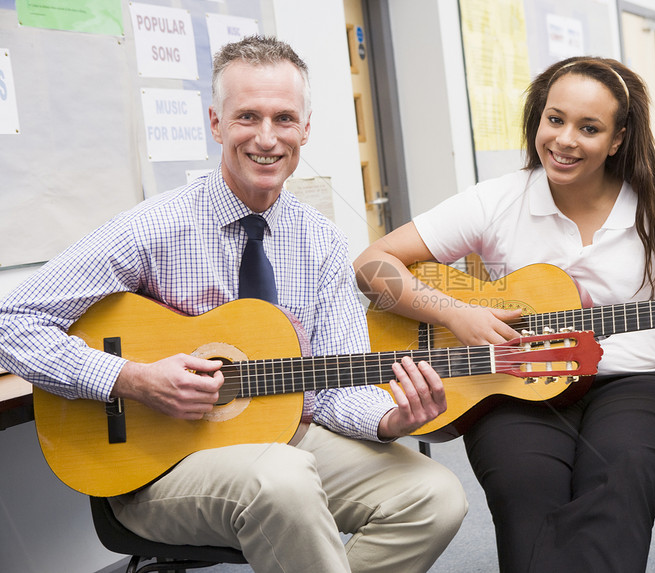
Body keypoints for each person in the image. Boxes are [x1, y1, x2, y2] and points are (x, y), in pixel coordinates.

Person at [0, 36, 467, 573]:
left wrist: (391, 418)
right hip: (164, 466)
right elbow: (14, 322)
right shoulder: (155, 227)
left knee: (435, 496)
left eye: (284, 119)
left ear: (305, 129)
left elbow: (339, 391)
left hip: (292, 437)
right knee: (283, 477)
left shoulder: (323, 243)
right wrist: (133, 379)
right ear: (216, 124)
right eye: (247, 116)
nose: (267, 138)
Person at [354, 56, 655, 572]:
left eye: (589, 128)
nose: (565, 140)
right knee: (525, 485)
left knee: (619, 470)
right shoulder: (499, 199)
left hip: (643, 387)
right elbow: (371, 265)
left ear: (617, 139)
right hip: (522, 384)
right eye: (555, 119)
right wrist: (455, 313)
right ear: (538, 119)